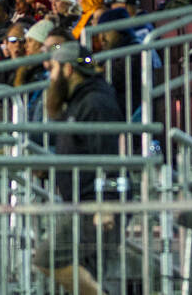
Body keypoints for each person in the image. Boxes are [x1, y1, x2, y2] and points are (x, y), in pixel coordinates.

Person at [34, 42, 125, 295]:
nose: (50, 76)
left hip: (96, 204)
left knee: (47, 257)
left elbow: (109, 155)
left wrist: (105, 203)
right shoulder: (80, 101)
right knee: (89, 272)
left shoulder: (95, 102)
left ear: (68, 70)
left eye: (53, 68)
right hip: (83, 201)